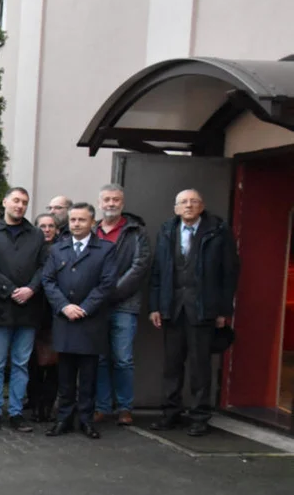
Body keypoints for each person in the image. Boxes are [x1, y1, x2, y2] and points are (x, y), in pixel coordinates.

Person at [148, 189, 239, 436]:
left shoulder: (218, 231)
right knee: (172, 365)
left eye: (193, 201)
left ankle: (199, 416)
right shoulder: (167, 230)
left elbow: (229, 273)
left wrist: (222, 310)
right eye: (183, 202)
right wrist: (156, 305)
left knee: (200, 366)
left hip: (203, 308)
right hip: (173, 308)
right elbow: (158, 271)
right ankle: (170, 413)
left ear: (202, 206)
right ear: (175, 208)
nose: (188, 206)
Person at [41, 203, 118, 440]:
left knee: (88, 376)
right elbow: (48, 280)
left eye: (81, 220)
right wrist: (64, 306)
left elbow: (107, 284)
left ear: (92, 223)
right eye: (73, 220)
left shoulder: (105, 249)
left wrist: (84, 308)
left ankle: (85, 420)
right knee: (64, 375)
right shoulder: (58, 249)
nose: (76, 224)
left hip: (90, 321)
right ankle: (63, 418)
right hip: (65, 320)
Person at [0, 187, 48, 432]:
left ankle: (16, 413)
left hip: (28, 309)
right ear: (5, 202)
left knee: (21, 363)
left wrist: (30, 289)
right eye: (15, 200)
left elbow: (43, 267)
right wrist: (10, 290)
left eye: (24, 202)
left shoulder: (36, 234)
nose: (19, 205)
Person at [93, 184, 151, 427]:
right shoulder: (92, 230)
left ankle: (125, 407)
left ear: (123, 203)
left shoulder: (135, 231)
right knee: (99, 358)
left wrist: (112, 292)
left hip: (124, 303)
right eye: (106, 199)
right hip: (95, 305)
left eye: (115, 200)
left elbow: (139, 266)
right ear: (100, 203)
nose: (111, 204)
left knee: (123, 358)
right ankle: (102, 407)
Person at [27, 211, 60, 423]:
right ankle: (34, 403)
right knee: (33, 363)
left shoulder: (62, 250)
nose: (46, 230)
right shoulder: (32, 251)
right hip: (33, 312)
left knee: (54, 363)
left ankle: (48, 405)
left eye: (50, 226)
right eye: (42, 226)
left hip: (56, 314)